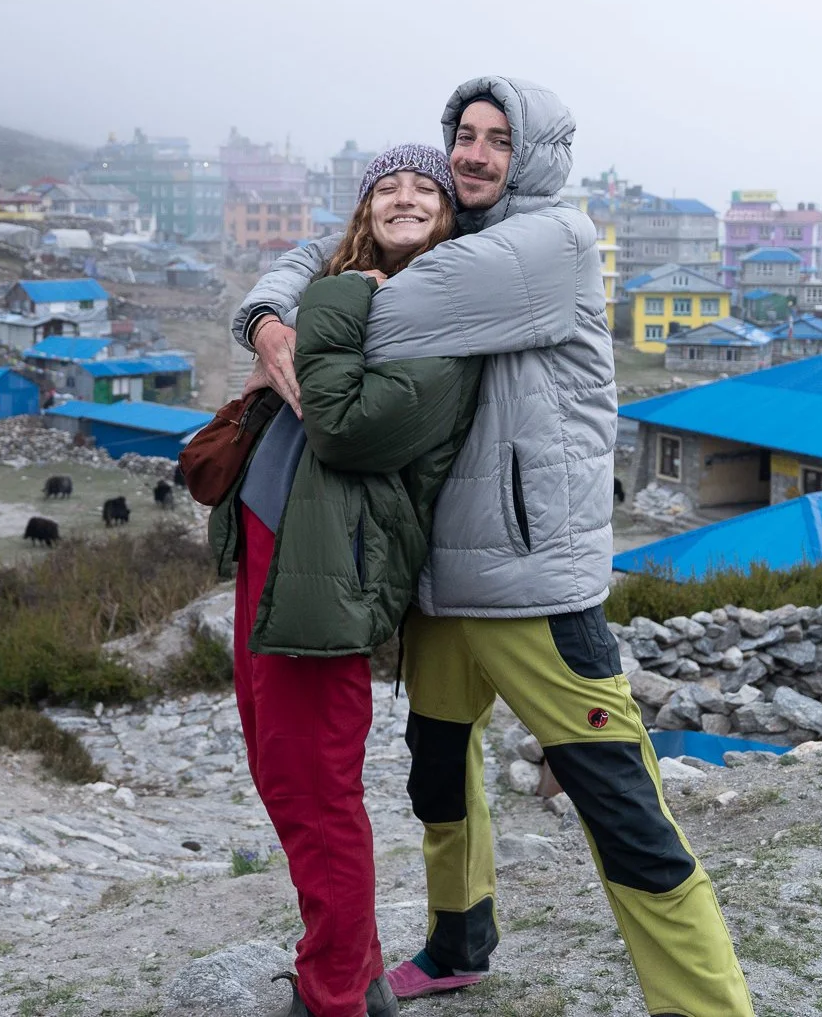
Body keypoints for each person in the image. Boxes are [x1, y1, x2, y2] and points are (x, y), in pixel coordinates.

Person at [234, 77, 753, 1017]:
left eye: (498, 140)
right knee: (439, 776)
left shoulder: (550, 244)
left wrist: (313, 309)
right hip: (440, 576)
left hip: (530, 584)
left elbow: (358, 309)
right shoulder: (457, 233)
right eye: (463, 135)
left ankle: (709, 1006)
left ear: (539, 155)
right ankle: (457, 943)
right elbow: (317, 255)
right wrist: (266, 315)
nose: (473, 154)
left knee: (620, 805)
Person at [209, 144, 485, 1017]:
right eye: (385, 188)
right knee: (277, 764)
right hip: (275, 541)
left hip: (337, 565)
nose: (404, 197)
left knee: (317, 781)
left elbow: (345, 430)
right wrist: (269, 320)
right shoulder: (341, 281)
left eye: (425, 189)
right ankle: (357, 968)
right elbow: (288, 288)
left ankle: (333, 993)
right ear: (363, 212)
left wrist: (322, 305)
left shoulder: (447, 310)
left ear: (451, 216)